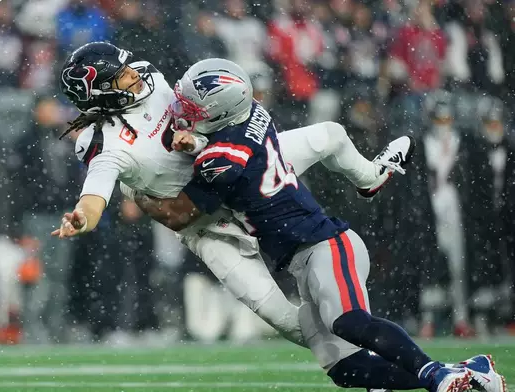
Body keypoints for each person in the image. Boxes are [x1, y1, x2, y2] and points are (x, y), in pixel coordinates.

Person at [52, 45, 503, 392]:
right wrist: (83, 218)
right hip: (205, 221)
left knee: (329, 139)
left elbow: (196, 126)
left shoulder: (178, 107)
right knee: (299, 327)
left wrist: (193, 146)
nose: (136, 75)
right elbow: (108, 197)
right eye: (122, 75)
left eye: (129, 67)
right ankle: (447, 375)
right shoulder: (105, 145)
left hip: (226, 174)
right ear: (101, 93)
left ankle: (372, 179)